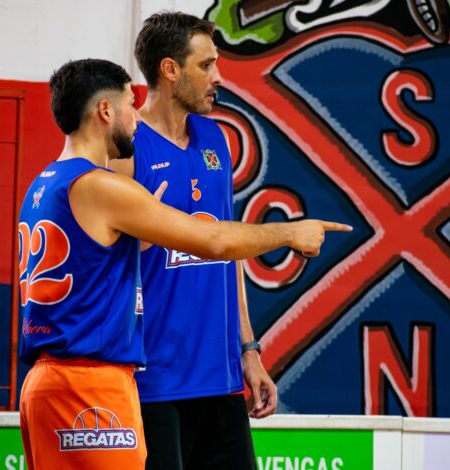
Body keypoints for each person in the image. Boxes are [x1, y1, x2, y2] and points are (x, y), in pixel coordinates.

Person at [18, 58, 351, 470]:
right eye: (128, 105)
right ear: (105, 112)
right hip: (90, 382)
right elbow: (212, 240)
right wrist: (289, 232)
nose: (135, 118)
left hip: (46, 382)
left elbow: (92, 267)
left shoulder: (45, 183)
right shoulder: (102, 185)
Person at [108, 11, 292, 469]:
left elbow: (227, 250)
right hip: (152, 385)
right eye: (206, 65)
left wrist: (249, 352)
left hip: (221, 378)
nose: (218, 76)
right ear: (170, 70)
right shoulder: (127, 150)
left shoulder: (215, 138)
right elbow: (103, 262)